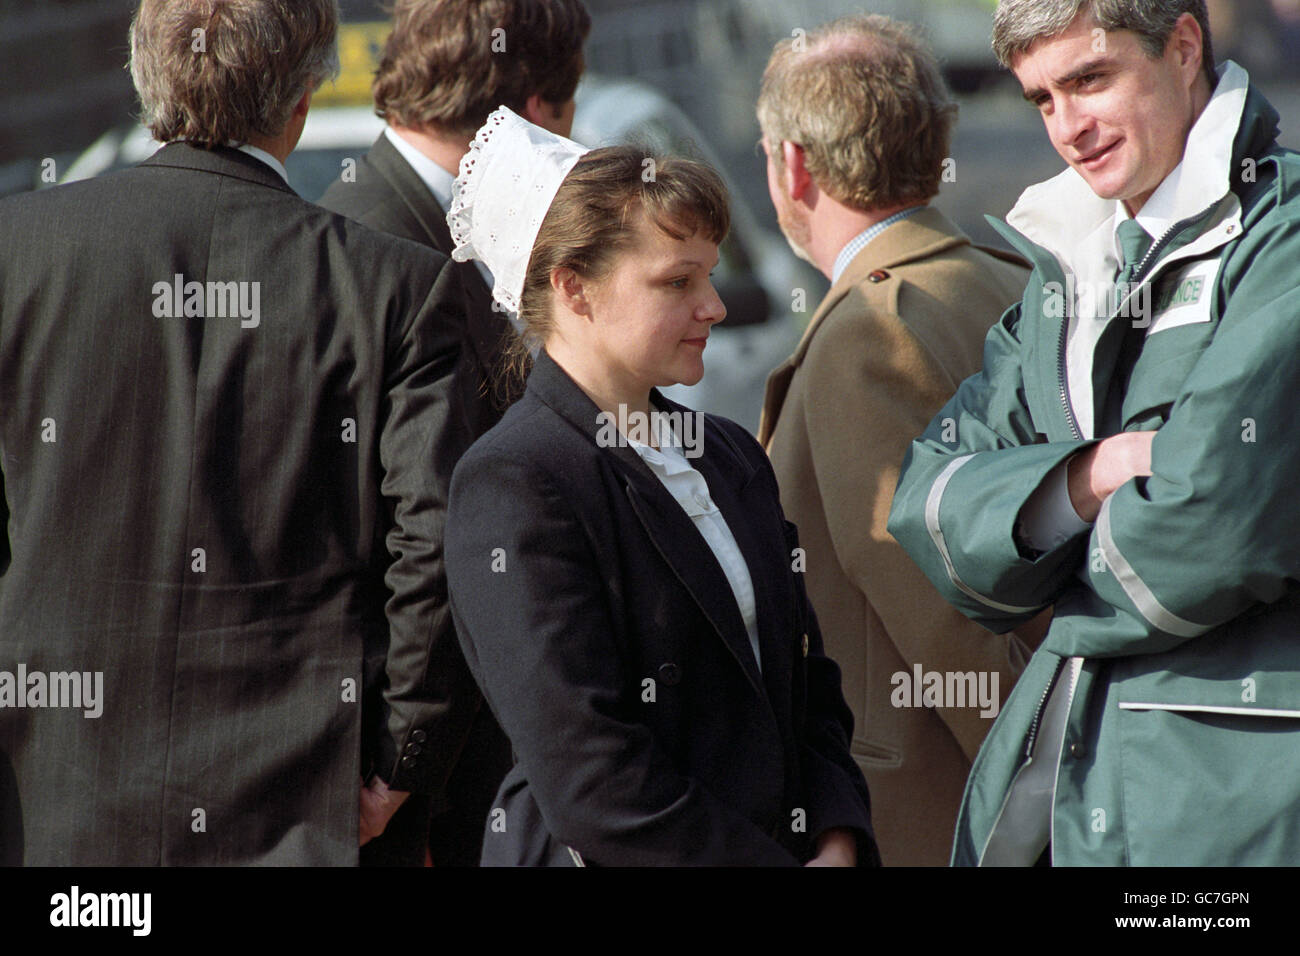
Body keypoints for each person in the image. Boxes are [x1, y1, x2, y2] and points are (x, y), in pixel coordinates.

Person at [0, 0, 475, 864]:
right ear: (302, 102)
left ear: (146, 84)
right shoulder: (395, 289)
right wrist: (401, 762)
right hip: (305, 815)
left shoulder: (19, 251)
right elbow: (440, 547)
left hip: (61, 810)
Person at [888, 0, 1300, 865]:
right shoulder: (1070, 264)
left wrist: (1040, 553)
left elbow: (1202, 540)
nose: (1068, 128)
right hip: (1072, 797)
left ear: (1183, 47)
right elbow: (925, 503)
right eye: (1042, 98)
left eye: (1089, 80)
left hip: (1232, 817)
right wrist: (1095, 474)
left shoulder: (1284, 239)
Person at [442, 107, 879, 866]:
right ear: (573, 289)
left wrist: (837, 836)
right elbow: (593, 779)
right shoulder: (516, 483)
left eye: (709, 275)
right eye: (676, 281)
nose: (712, 306)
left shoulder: (727, 455)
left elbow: (808, 685)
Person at [754, 14, 1040, 866]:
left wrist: (1042, 780)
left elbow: (930, 596)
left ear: (792, 166)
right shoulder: (1013, 278)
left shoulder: (864, 334)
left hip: (928, 807)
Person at [318, 0, 589, 868]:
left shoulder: (411, 228)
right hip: (411, 793)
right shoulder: (372, 246)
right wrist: (404, 769)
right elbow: (409, 535)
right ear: (537, 112)